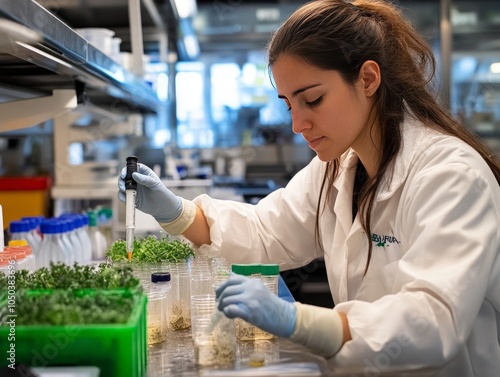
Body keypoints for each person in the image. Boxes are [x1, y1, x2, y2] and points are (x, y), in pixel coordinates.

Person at [118, 0, 500, 375]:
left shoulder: (451, 175)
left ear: (367, 79)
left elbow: (434, 321)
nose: (298, 124)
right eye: (288, 105)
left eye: (313, 100)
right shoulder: (336, 169)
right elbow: (266, 232)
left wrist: (299, 320)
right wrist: (175, 212)